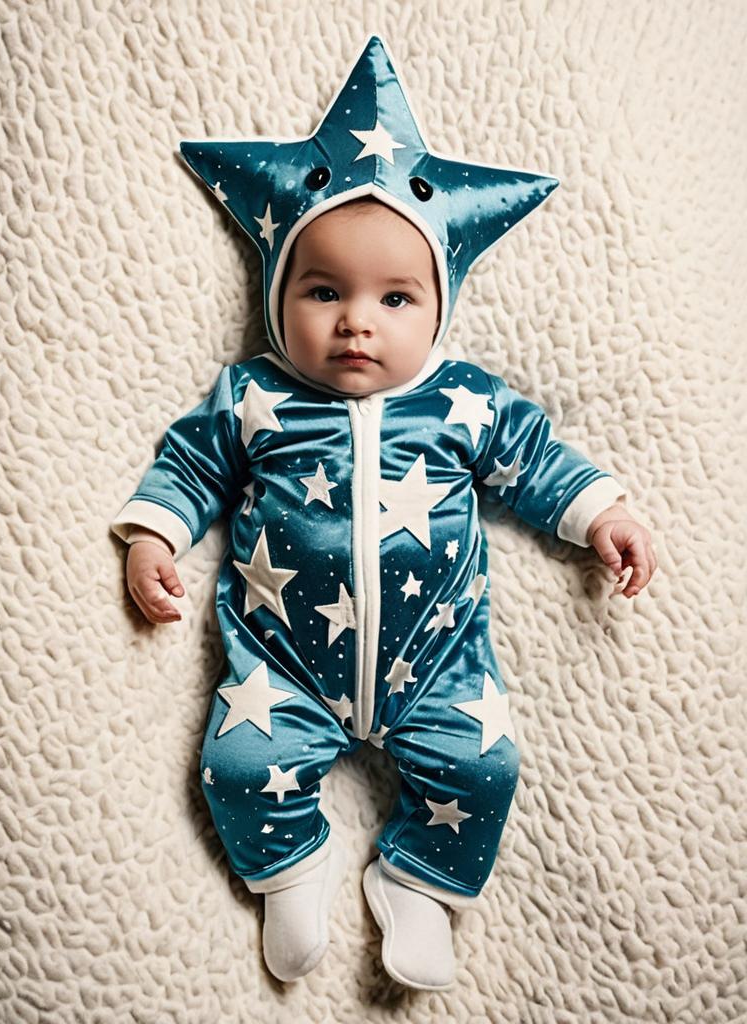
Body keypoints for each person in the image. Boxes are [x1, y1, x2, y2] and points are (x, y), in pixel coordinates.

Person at [110, 38, 656, 991]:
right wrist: (155, 533)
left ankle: (417, 883)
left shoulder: (462, 400)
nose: (357, 320)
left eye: (395, 297)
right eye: (324, 291)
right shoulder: (256, 396)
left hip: (438, 664)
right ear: (277, 296)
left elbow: (533, 461)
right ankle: (293, 869)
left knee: (485, 772)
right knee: (237, 765)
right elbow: (191, 463)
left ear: (438, 307)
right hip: (280, 665)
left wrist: (602, 512)